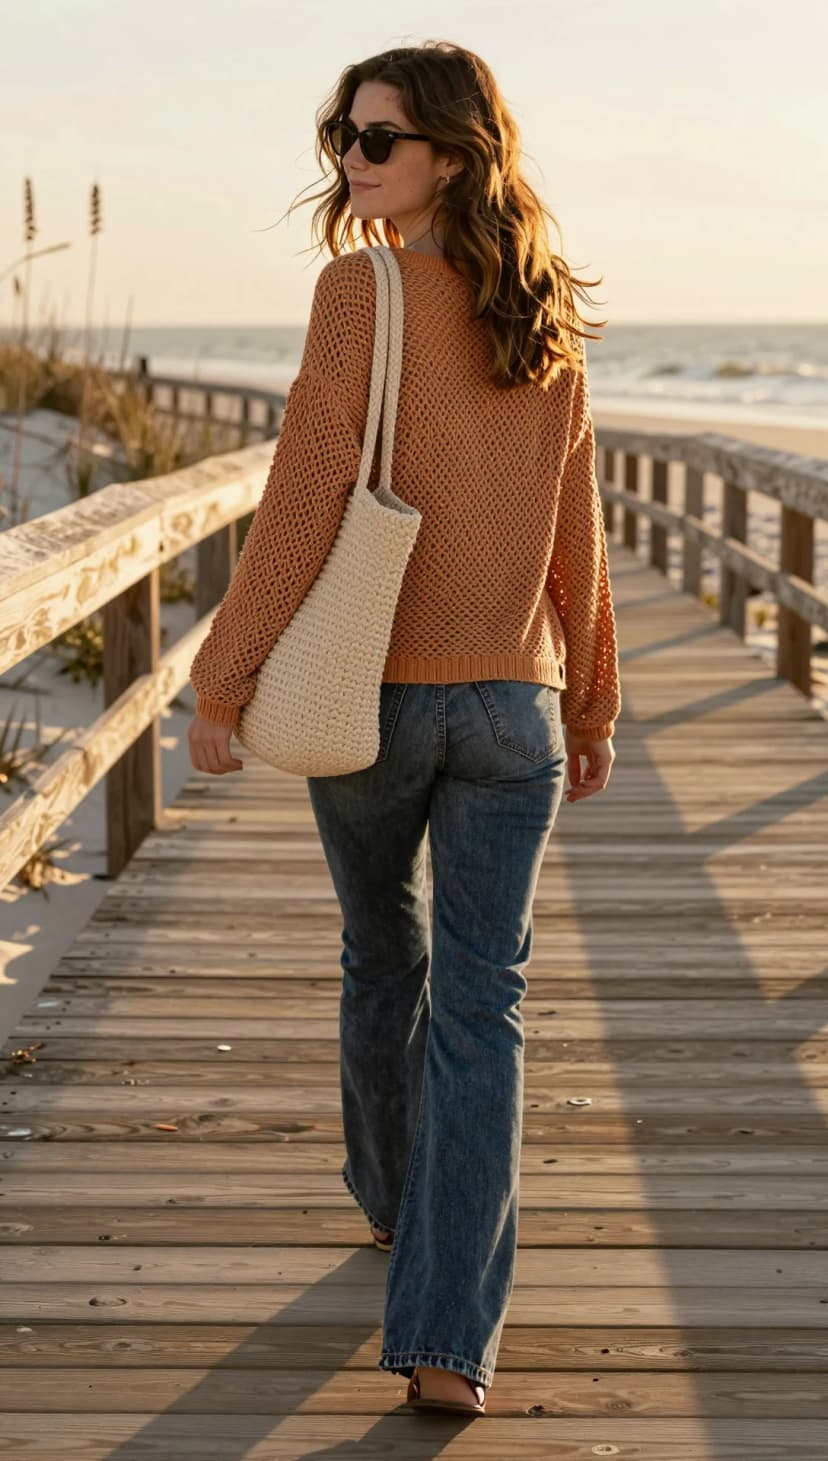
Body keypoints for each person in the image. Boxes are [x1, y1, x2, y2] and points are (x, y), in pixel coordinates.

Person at [188, 41, 620, 1417]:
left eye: (378, 139)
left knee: (386, 957)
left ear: (449, 152)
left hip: (371, 697)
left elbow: (305, 496)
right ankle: (445, 1337)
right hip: (514, 710)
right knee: (485, 1008)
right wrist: (591, 698)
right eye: (345, 137)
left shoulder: (356, 293)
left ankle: (390, 1201)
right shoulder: (542, 310)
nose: (353, 161)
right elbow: (579, 529)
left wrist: (223, 678)